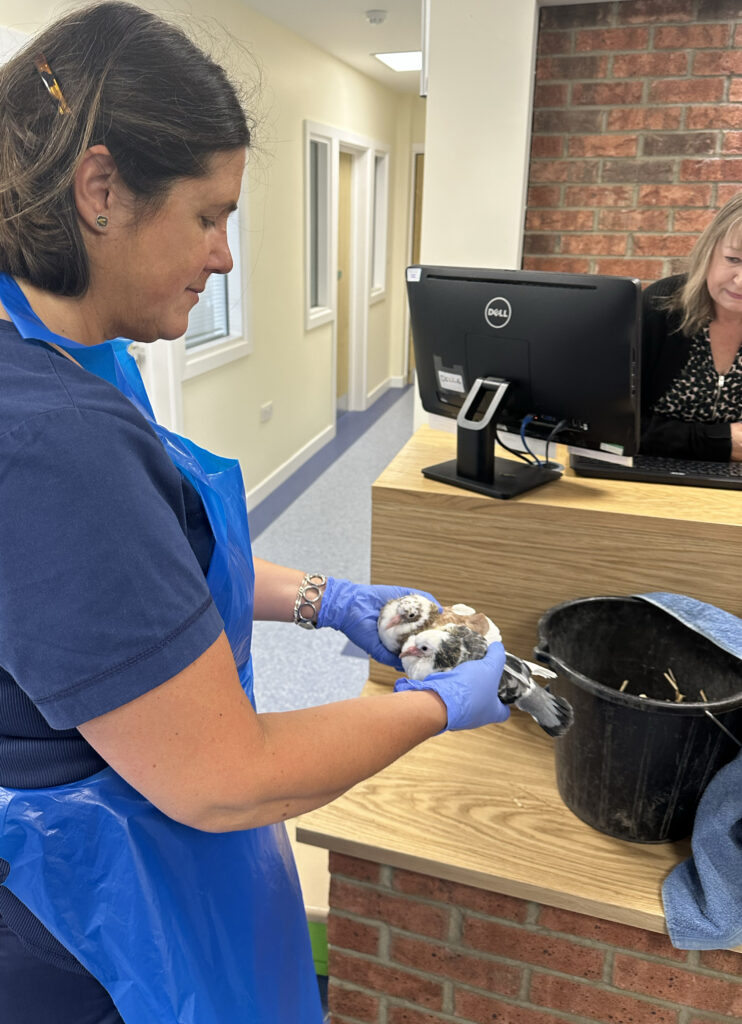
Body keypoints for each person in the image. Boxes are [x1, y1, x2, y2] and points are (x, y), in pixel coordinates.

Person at [0, 4, 509, 1022]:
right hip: (84, 933)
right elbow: (224, 776)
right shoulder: (53, 440)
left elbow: (135, 584)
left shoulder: (61, 355)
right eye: (207, 215)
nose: (226, 255)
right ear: (100, 189)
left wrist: (331, 599)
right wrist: (436, 704)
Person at [641, 192, 742, 461]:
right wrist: (721, 442)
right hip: (646, 478)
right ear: (708, 252)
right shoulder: (660, 306)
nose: (741, 281)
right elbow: (611, 425)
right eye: (733, 259)